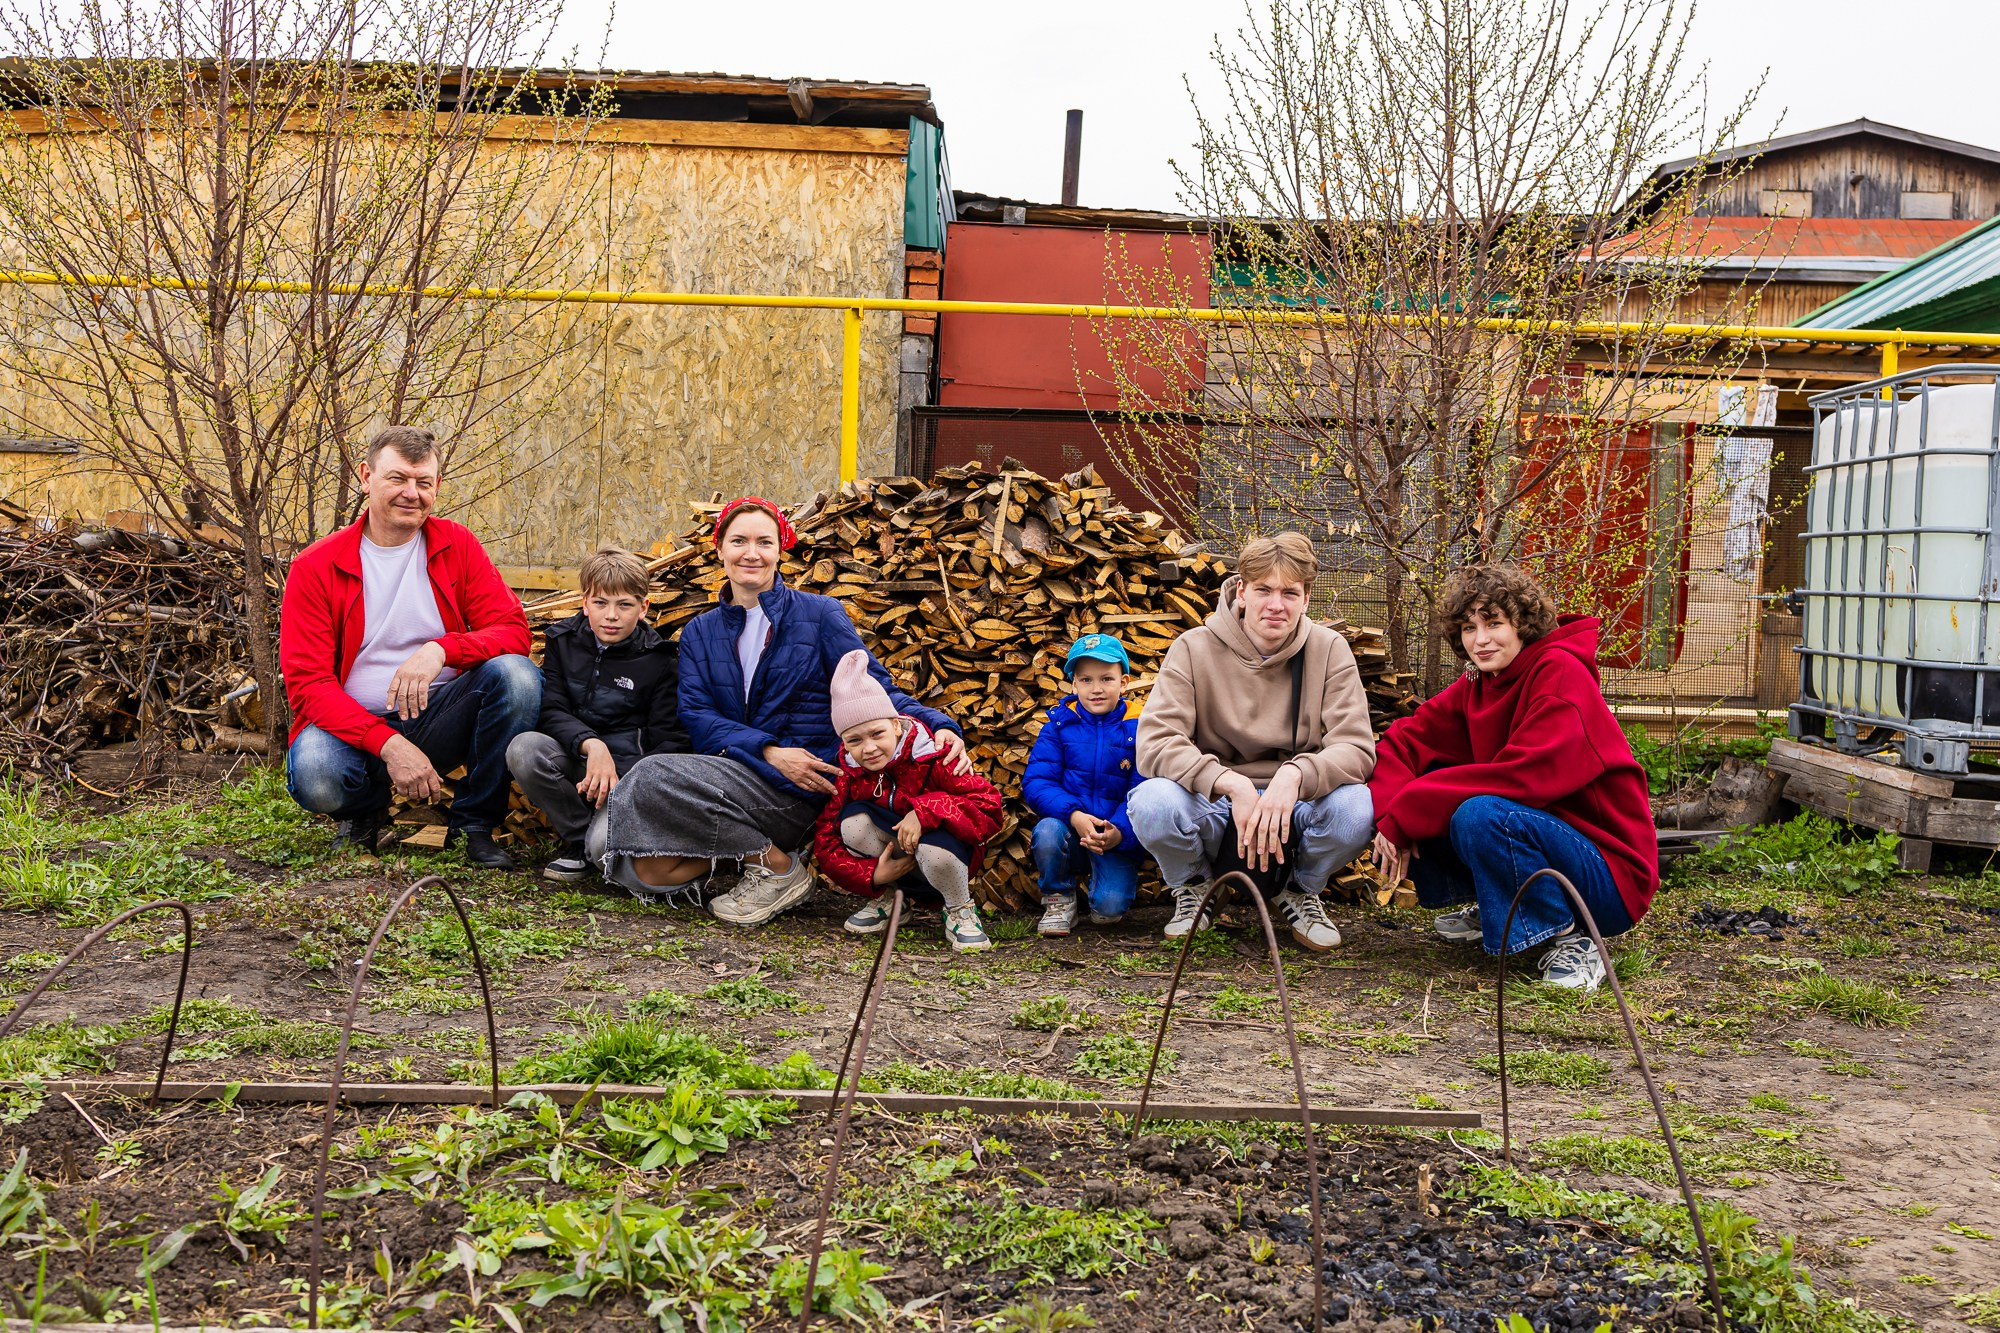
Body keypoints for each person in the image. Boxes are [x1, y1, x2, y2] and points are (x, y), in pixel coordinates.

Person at [598, 496, 970, 924]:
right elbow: (698, 717)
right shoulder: (701, 631)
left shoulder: (819, 615)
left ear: (780, 549)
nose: (751, 553)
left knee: (649, 775)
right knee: (651, 871)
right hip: (747, 774)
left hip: (807, 786)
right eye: (738, 541)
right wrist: (770, 751)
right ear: (720, 549)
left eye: (764, 542)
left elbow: (874, 686)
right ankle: (760, 858)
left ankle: (780, 870)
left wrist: (941, 724)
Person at [1368, 564, 1658, 992]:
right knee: (1439, 785)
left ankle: (1573, 938)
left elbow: (1522, 779)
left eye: (1494, 624)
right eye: (1469, 628)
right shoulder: (1483, 681)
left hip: (1609, 874)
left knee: (1480, 812)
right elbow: (1404, 741)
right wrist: (1389, 812)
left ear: (1522, 624)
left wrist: (1409, 810)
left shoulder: (1560, 674)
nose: (1480, 640)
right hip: (1554, 846)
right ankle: (1499, 907)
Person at [281, 426, 539, 869]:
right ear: (366, 476)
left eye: (424, 482)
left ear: (437, 485)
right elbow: (308, 683)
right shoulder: (317, 565)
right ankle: (362, 814)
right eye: (398, 478)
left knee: (517, 675)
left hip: (436, 717)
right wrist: (387, 744)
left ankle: (474, 827)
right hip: (347, 726)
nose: (411, 493)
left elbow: (513, 631)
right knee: (318, 777)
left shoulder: (456, 545)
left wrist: (442, 649)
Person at [1129, 531, 1376, 952]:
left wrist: (1295, 775)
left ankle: (1300, 890)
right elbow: (1154, 742)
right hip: (1217, 802)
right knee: (1151, 803)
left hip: (1295, 803)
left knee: (1357, 809)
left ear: (1306, 598)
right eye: (1263, 590)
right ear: (1241, 591)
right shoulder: (1192, 648)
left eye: (1289, 593)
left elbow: (1355, 747)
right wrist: (1231, 783)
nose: (1276, 605)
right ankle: (1195, 888)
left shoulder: (1329, 649)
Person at [506, 547, 688, 883]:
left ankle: (598, 842)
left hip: (626, 776)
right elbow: (552, 709)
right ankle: (578, 842)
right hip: (579, 757)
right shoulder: (563, 641)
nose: (612, 616)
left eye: (625, 605)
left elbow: (668, 743)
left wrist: (627, 782)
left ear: (644, 607)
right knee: (524, 747)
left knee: (604, 851)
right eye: (601, 603)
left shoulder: (661, 660)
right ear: (585, 602)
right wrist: (592, 745)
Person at [811, 651, 1005, 953]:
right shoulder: (849, 772)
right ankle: (889, 899)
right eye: (855, 740)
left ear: (897, 725)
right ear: (844, 742)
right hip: (895, 861)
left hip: (945, 855)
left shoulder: (934, 757)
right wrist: (871, 876)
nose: (869, 748)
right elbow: (825, 840)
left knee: (934, 846)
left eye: (877, 733)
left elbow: (989, 806)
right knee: (851, 823)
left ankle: (959, 909)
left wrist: (925, 810)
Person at [1023, 633, 1145, 937]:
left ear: (1124, 681)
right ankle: (1058, 896)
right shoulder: (1059, 727)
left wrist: (1119, 831)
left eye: (1107, 678)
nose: (1097, 689)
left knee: (1109, 911)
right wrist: (1074, 815)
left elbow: (1144, 784)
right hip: (1070, 829)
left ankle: (1101, 892)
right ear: (1074, 685)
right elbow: (1038, 782)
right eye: (1086, 680)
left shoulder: (1139, 727)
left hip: (1113, 835)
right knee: (1048, 831)